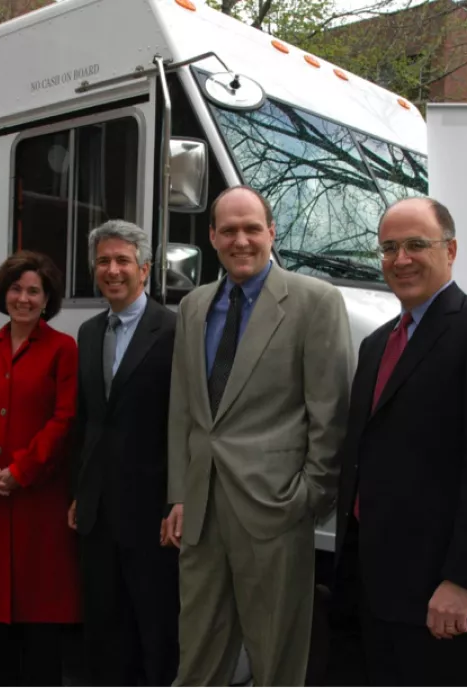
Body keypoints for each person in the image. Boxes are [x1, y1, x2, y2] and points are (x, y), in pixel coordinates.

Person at [334, 197, 467, 687]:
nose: (401, 259)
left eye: (417, 245)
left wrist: (462, 580)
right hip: (377, 592)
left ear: (451, 250)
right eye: (389, 248)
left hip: (445, 598)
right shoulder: (375, 344)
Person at [164, 186, 353, 687]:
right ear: (211, 237)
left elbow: (330, 413)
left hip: (275, 510)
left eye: (252, 228)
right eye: (228, 230)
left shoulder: (315, 302)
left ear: (272, 232)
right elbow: (185, 409)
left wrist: (308, 497)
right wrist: (180, 496)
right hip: (202, 512)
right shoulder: (194, 306)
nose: (240, 239)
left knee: (277, 658)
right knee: (198, 653)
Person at [0, 250, 80, 687]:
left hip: (38, 504)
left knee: (40, 617)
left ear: (47, 300)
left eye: (33, 291)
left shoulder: (64, 350)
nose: (23, 298)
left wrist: (21, 470)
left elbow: (64, 420)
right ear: (3, 294)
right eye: (15, 289)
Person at [69, 220, 179, 686]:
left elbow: (184, 423)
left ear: (145, 269)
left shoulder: (174, 330)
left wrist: (178, 501)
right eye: (103, 262)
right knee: (104, 627)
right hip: (97, 512)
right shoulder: (89, 332)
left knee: (155, 630)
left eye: (122, 261)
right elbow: (87, 421)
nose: (112, 270)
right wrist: (79, 492)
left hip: (152, 513)